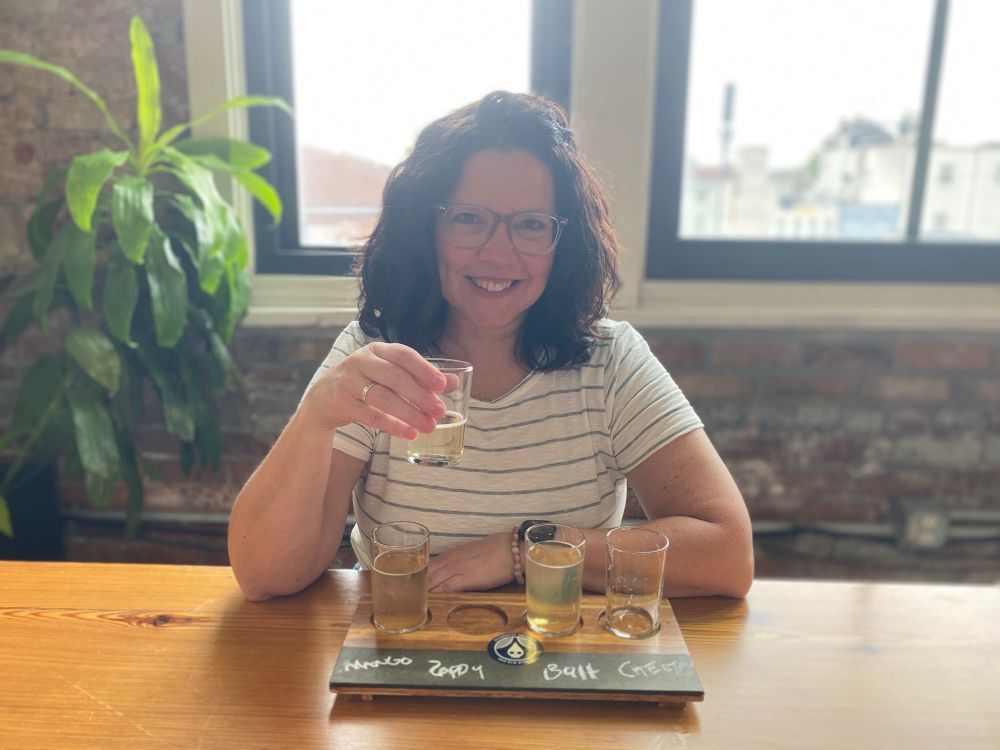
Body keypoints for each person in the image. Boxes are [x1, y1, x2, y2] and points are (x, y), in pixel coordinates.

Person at [228, 91, 753, 601]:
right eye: (469, 218)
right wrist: (317, 415)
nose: (498, 253)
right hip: (404, 639)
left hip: (566, 652)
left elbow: (727, 554)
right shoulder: (375, 354)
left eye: (530, 225)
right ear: (427, 227)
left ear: (562, 245)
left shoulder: (610, 361)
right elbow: (264, 575)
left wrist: (525, 550)